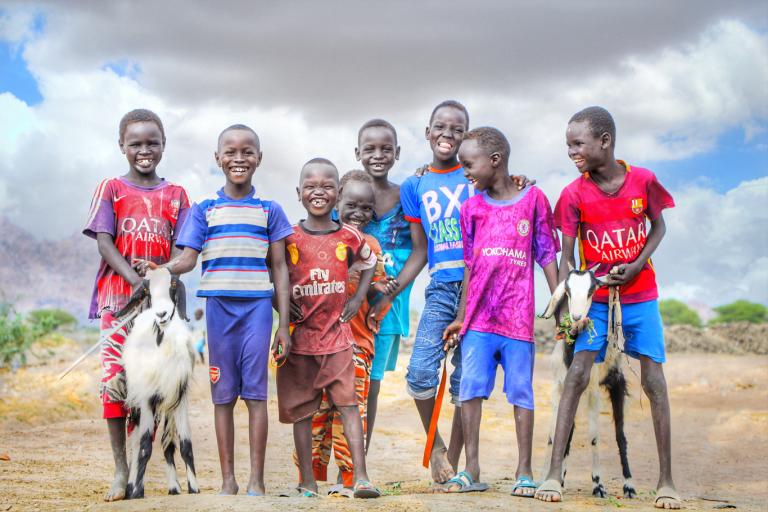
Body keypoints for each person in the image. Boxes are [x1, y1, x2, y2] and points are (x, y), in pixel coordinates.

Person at [534, 106, 679, 509]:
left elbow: (659, 226)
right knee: (576, 375)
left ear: (605, 141)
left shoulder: (643, 181)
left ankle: (666, 481)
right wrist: (565, 311)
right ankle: (551, 474)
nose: (571, 152)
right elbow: (566, 257)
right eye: (568, 145)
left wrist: (635, 265)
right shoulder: (574, 194)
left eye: (578, 144)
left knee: (653, 381)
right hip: (593, 300)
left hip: (640, 295)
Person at [170, 124, 293, 496]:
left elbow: (280, 269)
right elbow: (188, 259)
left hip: (257, 310)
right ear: (217, 158)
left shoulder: (270, 210)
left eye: (247, 151)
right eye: (231, 151)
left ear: (259, 158)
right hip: (219, 311)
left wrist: (283, 325)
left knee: (256, 396)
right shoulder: (204, 210)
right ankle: (228, 480)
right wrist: (161, 269)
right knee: (221, 396)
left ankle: (256, 479)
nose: (239, 158)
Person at [441, 127, 559, 496]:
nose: (465, 172)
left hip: (518, 319)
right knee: (471, 392)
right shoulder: (470, 208)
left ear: (496, 161)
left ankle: (524, 471)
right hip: (478, 320)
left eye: (469, 164)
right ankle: (471, 469)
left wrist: (561, 306)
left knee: (521, 392)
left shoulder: (533, 199)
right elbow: (469, 265)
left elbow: (546, 254)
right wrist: (461, 315)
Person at [83, 108, 190, 501]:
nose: (144, 150)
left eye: (152, 143)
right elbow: (104, 241)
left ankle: (145, 469)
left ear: (163, 145)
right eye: (136, 143)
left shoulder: (176, 195)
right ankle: (120, 469)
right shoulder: (111, 189)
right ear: (122, 147)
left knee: (152, 388)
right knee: (114, 383)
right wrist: (135, 281)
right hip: (118, 303)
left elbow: (182, 249)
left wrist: (158, 278)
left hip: (159, 307)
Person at [278, 158, 381, 499]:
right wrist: (279, 305)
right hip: (301, 341)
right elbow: (274, 274)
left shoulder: (348, 236)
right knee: (303, 412)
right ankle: (307, 481)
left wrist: (357, 300)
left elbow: (369, 262)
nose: (318, 192)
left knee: (349, 406)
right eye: (310, 186)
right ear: (298, 193)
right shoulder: (287, 237)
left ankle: (362, 477)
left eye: (326, 187)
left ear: (337, 194)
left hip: (338, 339)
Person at [300, 170, 391, 497]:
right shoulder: (317, 238)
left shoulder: (372, 245)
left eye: (366, 208)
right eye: (351, 205)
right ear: (338, 202)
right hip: (316, 345)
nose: (359, 213)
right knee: (316, 412)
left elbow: (375, 289)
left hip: (356, 342)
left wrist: (381, 289)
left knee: (351, 408)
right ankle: (309, 478)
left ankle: (351, 477)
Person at [354, 119, 413, 450]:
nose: (378, 155)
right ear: (357, 153)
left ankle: (359, 460)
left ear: (397, 153)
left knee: (371, 384)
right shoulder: (347, 194)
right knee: (349, 383)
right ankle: (345, 459)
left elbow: (420, 249)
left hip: (389, 309)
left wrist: (391, 290)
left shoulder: (408, 197)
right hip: (352, 306)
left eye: (386, 148)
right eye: (370, 148)